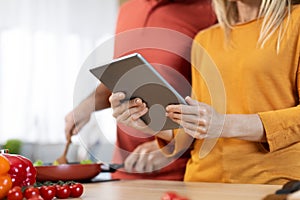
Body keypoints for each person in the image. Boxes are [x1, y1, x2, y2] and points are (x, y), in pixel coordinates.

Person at [109, 0, 300, 184]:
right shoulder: (205, 39)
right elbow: (195, 131)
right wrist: (146, 123)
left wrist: (224, 125)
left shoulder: (295, 23)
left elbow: (215, 124)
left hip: (269, 183)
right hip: (200, 183)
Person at [65, 0, 216, 180]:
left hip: (179, 171)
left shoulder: (211, 10)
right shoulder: (127, 9)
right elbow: (123, 79)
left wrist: (169, 147)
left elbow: (221, 102)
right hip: (125, 169)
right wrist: (87, 106)